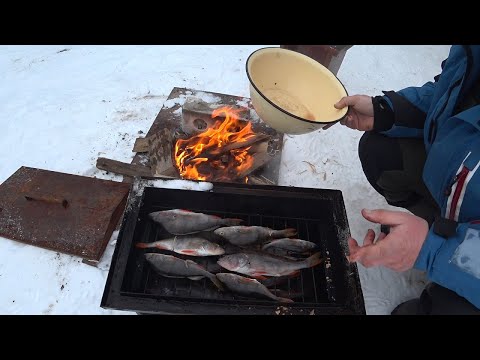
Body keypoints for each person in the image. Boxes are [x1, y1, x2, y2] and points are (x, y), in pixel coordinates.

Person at [330, 45, 480, 315]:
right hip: (463, 179)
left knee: (449, 307)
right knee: (381, 153)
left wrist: (434, 249)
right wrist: (386, 111)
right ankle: (444, 227)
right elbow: (449, 92)